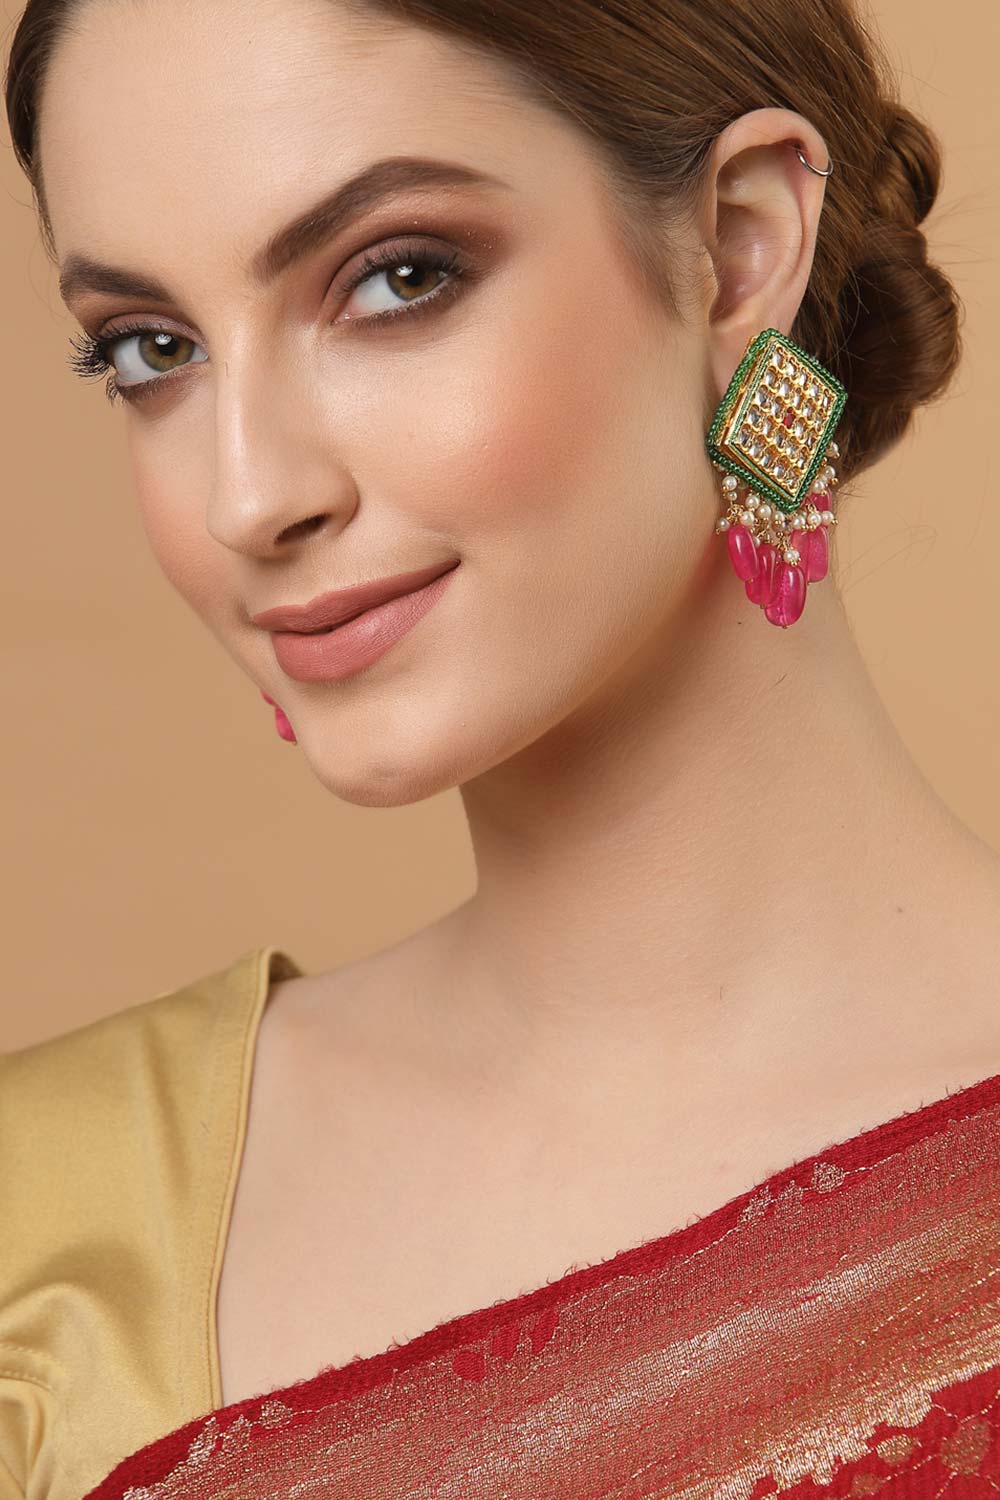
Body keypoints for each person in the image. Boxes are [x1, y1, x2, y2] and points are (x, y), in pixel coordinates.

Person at [3, 0, 999, 1494]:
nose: (248, 496)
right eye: (152, 352)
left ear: (740, 247)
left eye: (396, 278)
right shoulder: (45, 1229)